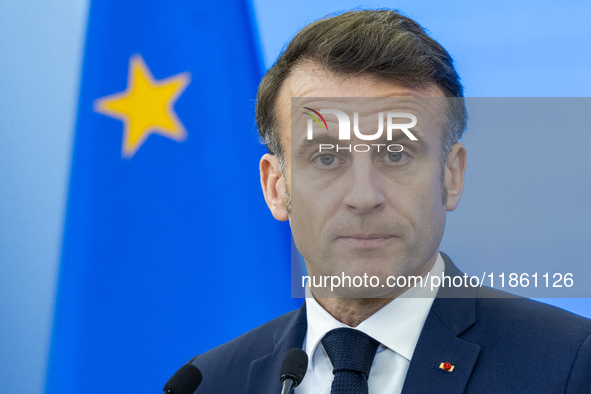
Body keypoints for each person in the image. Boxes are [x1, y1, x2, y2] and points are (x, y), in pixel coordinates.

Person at [172, 9, 591, 393]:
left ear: (451, 175)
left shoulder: (569, 365)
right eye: (326, 157)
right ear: (276, 187)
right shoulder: (211, 382)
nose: (363, 196)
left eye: (395, 154)